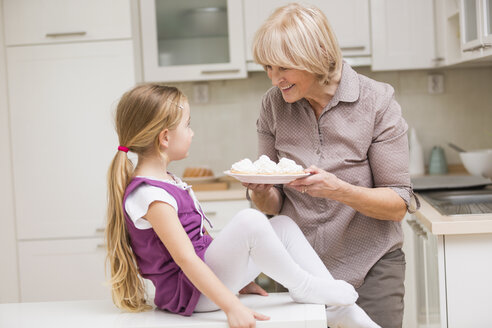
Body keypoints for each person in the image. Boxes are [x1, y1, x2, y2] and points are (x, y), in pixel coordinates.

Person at [105, 84, 381, 328]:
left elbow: (201, 243)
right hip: (190, 294)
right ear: (165, 138)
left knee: (282, 224)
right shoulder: (150, 195)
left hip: (201, 284)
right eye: (188, 125)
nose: (192, 132)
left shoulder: (165, 182)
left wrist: (238, 275)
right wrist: (231, 306)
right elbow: (186, 259)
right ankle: (305, 287)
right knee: (250, 220)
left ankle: (342, 310)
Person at [248, 3, 419, 328]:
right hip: (298, 271)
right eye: (267, 67)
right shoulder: (273, 105)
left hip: (371, 268)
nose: (274, 78)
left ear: (317, 53)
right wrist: (261, 192)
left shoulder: (377, 102)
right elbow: (273, 204)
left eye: (282, 66)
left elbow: (397, 203)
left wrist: (337, 190)